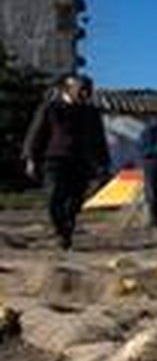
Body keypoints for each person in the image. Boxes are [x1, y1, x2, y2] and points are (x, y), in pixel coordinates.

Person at [21, 73, 110, 250]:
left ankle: (67, 232)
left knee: (75, 200)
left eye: (88, 90)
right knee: (55, 197)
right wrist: (30, 158)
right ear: (68, 90)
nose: (86, 94)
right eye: (82, 90)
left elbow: (99, 139)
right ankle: (60, 230)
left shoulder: (91, 113)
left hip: (81, 161)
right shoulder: (51, 108)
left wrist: (103, 163)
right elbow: (36, 133)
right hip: (54, 159)